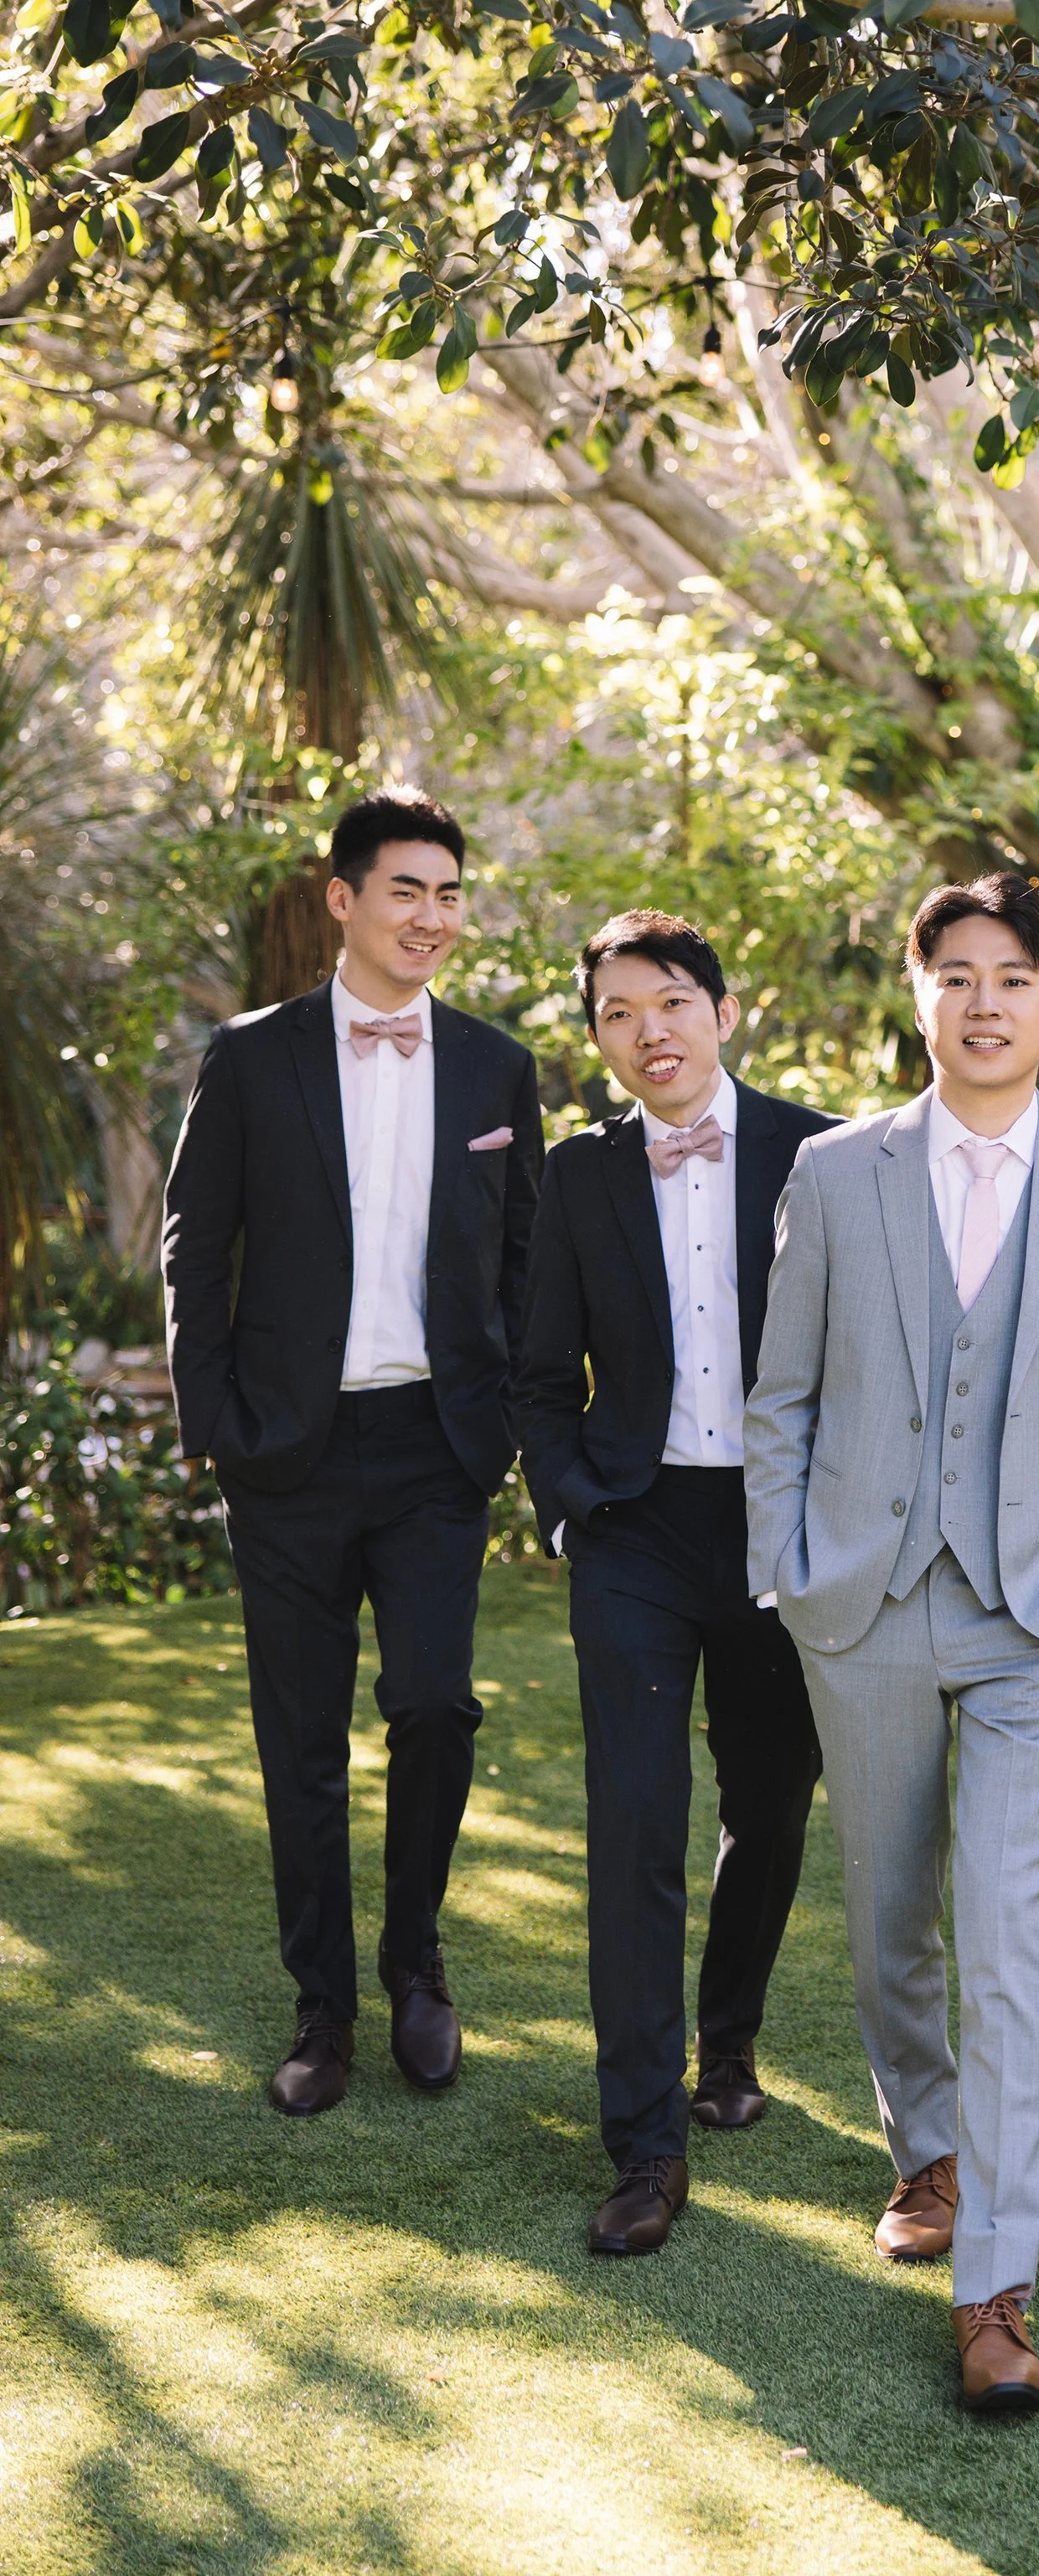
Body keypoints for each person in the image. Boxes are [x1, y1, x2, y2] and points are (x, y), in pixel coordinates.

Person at [743, 870, 1039, 2418]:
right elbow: (783, 1394)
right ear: (917, 995)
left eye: (1013, 976)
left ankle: (994, 2278)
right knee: (888, 1916)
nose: (984, 1000)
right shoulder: (833, 1173)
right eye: (956, 974)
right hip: (859, 1597)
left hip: (1038, 1613)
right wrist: (786, 1564)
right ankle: (925, 2147)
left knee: (1004, 1923)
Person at [162, 788, 543, 2116]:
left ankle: (416, 1962)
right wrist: (215, 1426)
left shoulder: (498, 1069)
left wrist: (497, 1424)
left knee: (434, 1706)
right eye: (406, 891)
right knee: (300, 1743)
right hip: (289, 1452)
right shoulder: (252, 1057)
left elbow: (524, 1259)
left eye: (449, 894)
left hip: (435, 1447)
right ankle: (323, 2007)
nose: (432, 917)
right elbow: (194, 1248)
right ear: (343, 898)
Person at [518, 911, 833, 2258]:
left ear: (721, 1008)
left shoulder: (825, 1153)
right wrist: (575, 1505)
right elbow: (534, 1370)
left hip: (782, 1532)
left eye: (669, 1003)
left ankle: (730, 2039)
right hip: (636, 1526)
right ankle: (644, 2147)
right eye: (616, 1015)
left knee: (766, 1808)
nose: (648, 1032)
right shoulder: (574, 1175)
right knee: (635, 1822)